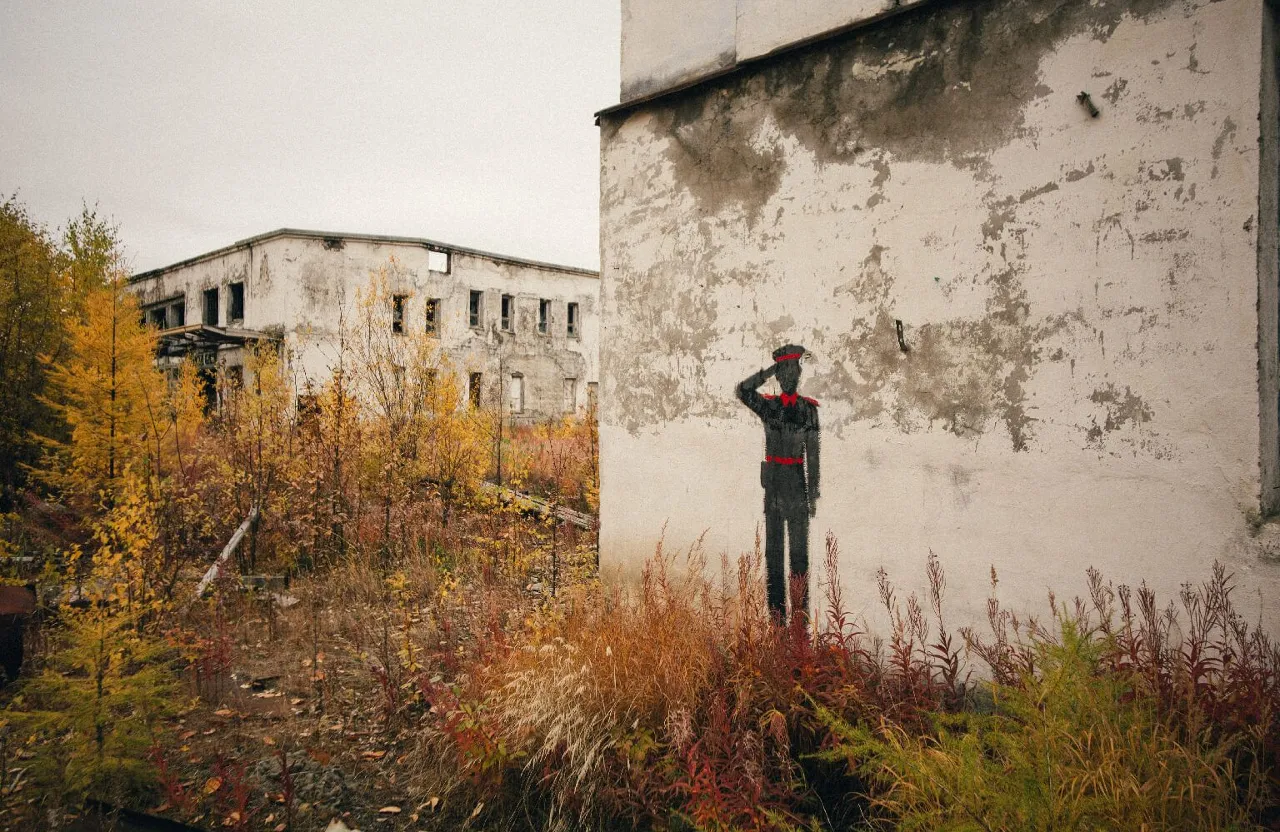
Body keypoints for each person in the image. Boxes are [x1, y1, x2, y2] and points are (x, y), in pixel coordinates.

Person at [736, 345, 820, 622]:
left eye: (792, 371)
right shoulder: (769, 407)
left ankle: (800, 616)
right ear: (779, 377)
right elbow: (743, 391)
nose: (788, 377)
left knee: (799, 555)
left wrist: (813, 496)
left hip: (796, 485)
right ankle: (776, 617)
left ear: (798, 374)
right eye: (783, 373)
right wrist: (769, 370)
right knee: (774, 554)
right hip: (773, 486)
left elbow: (813, 454)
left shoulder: (808, 409)